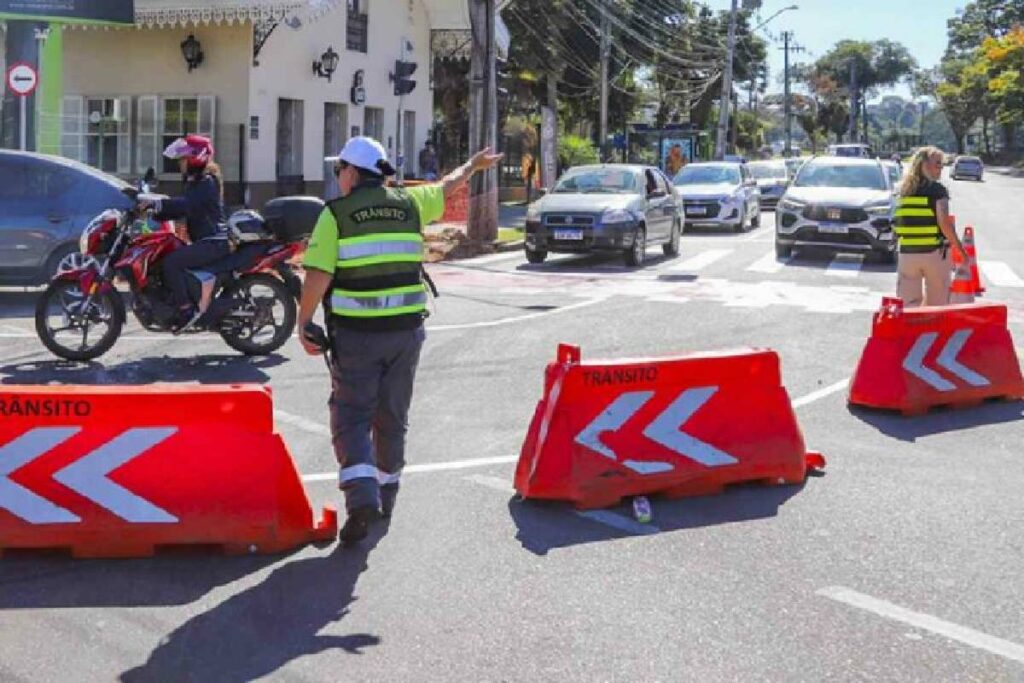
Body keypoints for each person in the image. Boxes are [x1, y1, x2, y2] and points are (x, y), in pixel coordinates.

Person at [299, 136, 502, 546]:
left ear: (352, 173)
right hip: (406, 334)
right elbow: (446, 186)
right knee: (392, 416)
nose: (339, 177)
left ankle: (361, 499)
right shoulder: (410, 203)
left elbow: (318, 275)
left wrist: (303, 322)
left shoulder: (335, 214)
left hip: (357, 336)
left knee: (352, 416)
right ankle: (385, 495)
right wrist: (472, 165)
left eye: (339, 170)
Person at [143, 134, 228, 330]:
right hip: (207, 240)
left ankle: (186, 309)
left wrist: (158, 203)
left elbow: (186, 205)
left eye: (183, 159)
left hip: (213, 241)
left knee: (172, 262)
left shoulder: (206, 181)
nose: (180, 164)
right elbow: (182, 208)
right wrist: (155, 210)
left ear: (195, 158)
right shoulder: (196, 181)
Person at [894, 146, 967, 307]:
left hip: (907, 254)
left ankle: (911, 331)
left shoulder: (903, 190)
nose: (941, 169)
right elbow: (944, 223)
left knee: (908, 304)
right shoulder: (937, 190)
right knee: (937, 303)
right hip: (934, 253)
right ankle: (931, 332)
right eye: (938, 164)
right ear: (925, 165)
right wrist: (960, 250)